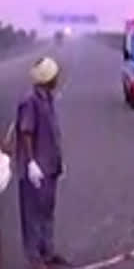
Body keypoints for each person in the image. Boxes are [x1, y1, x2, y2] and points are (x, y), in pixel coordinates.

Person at [15, 57, 70, 268]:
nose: (58, 78)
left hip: (49, 166)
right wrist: (31, 163)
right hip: (35, 169)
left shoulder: (47, 98)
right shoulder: (30, 100)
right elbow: (26, 131)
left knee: (47, 211)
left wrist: (58, 161)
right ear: (48, 78)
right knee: (32, 215)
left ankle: (48, 253)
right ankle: (35, 259)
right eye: (55, 75)